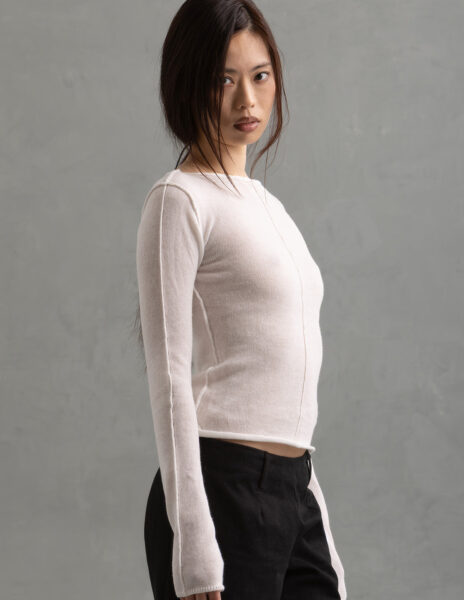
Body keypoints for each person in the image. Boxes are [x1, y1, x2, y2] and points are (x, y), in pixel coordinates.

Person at [135, 1, 347, 598]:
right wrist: (193, 538)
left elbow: (291, 390)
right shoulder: (179, 200)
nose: (247, 100)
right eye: (223, 80)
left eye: (260, 75)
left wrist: (318, 527)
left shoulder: (269, 208)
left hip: (293, 489)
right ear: (187, 86)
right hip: (221, 489)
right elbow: (169, 378)